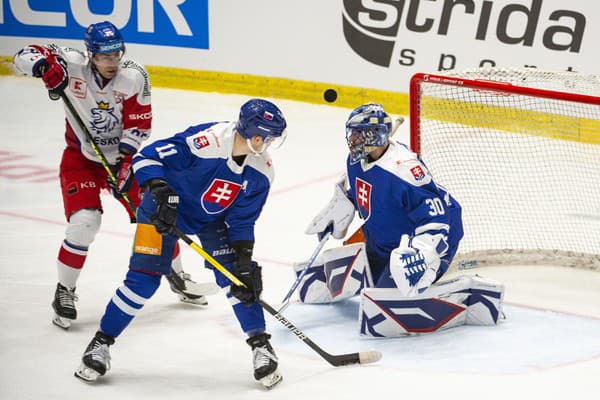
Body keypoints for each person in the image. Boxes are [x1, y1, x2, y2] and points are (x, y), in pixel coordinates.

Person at [74, 98, 288, 389]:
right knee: (143, 281)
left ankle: (261, 346)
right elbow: (147, 157)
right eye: (268, 137)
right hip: (160, 210)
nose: (270, 144)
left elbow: (242, 222)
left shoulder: (261, 172)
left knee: (238, 278)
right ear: (254, 133)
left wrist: (243, 258)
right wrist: (159, 190)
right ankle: (100, 343)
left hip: (211, 221)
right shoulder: (206, 142)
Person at [12, 21, 211, 330]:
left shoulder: (134, 76)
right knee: (85, 223)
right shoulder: (70, 62)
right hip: (82, 160)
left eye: (116, 54)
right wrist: (39, 65)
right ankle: (65, 290)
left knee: (159, 216)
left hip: (123, 160)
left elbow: (139, 126)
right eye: (104, 56)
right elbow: (23, 55)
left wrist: (125, 160)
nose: (112, 62)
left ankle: (174, 272)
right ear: (90, 54)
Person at [297, 103, 504, 336]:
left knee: (387, 303)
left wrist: (422, 254)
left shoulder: (404, 171)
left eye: (359, 133)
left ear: (375, 136)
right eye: (351, 132)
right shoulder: (356, 158)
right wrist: (340, 207)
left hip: (421, 241)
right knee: (370, 285)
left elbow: (437, 218)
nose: (352, 139)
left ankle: (468, 296)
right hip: (383, 235)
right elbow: (359, 190)